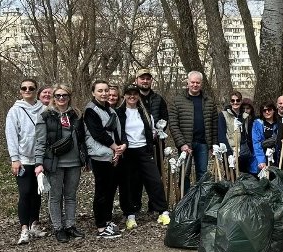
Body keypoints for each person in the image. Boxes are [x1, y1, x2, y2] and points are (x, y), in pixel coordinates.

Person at [34, 84, 87, 242]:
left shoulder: (76, 115)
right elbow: (40, 142)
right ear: (53, 98)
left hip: (75, 162)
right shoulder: (45, 116)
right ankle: (58, 228)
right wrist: (39, 163)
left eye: (65, 95)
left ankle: (70, 225)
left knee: (71, 196)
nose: (61, 98)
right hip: (54, 163)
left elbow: (82, 139)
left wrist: (86, 159)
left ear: (69, 97)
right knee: (55, 197)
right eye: (58, 96)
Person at [117, 83, 169, 230]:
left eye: (134, 94)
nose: (132, 96)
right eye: (129, 94)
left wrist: (153, 135)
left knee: (154, 181)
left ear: (138, 96)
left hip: (144, 150)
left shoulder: (145, 113)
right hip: (128, 152)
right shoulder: (119, 113)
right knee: (130, 184)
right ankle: (130, 215)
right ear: (124, 96)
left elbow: (152, 130)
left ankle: (163, 211)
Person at [5, 78, 47, 245]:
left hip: (39, 160)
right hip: (23, 159)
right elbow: (11, 135)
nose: (27, 90)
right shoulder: (14, 111)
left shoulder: (43, 109)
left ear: (36, 90)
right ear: (21, 91)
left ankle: (34, 224)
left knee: (37, 193)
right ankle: (24, 229)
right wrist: (15, 159)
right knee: (25, 192)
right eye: (24, 88)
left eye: (31, 88)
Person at [84, 80, 125, 239]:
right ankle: (101, 227)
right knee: (101, 191)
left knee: (110, 190)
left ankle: (107, 220)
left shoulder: (110, 109)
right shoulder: (91, 110)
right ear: (93, 93)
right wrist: (115, 147)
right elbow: (98, 133)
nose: (104, 93)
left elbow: (116, 132)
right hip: (99, 155)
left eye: (106, 90)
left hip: (112, 154)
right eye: (100, 91)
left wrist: (118, 149)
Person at [170, 71, 218, 186]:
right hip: (186, 144)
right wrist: (182, 144)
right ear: (188, 82)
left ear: (201, 84)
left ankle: (200, 200)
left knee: (202, 174)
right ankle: (185, 200)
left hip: (203, 144)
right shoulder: (177, 100)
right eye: (192, 82)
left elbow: (214, 124)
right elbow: (173, 124)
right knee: (184, 174)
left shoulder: (209, 101)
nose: (195, 85)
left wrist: (213, 144)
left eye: (197, 82)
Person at [218, 91, 253, 176]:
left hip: (243, 153)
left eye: (237, 100)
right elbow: (222, 134)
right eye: (233, 100)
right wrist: (229, 153)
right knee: (231, 176)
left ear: (241, 101)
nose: (235, 102)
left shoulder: (245, 116)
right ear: (230, 102)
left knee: (243, 177)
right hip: (230, 150)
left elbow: (247, 135)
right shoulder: (223, 115)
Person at [251, 101, 280, 174]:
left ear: (273, 110)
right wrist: (261, 160)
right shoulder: (258, 124)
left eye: (269, 110)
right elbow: (256, 143)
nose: (267, 112)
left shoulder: (279, 124)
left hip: (276, 157)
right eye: (264, 110)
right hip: (263, 156)